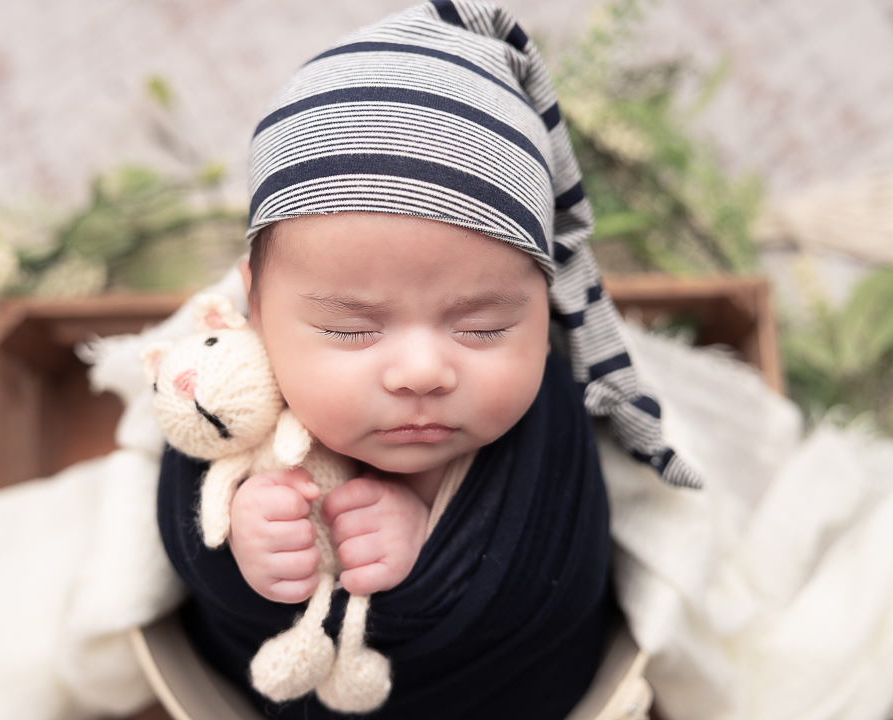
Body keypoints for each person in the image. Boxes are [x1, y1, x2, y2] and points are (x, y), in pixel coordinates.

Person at [156, 1, 699, 717]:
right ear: (255, 305)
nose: (420, 371)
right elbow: (187, 497)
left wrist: (433, 538)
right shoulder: (233, 384)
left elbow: (552, 575)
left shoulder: (542, 430)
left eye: (483, 327)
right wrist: (239, 543)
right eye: (351, 330)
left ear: (543, 305)